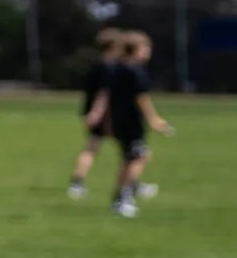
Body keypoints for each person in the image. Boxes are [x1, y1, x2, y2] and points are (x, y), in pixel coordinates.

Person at [86, 30, 173, 218]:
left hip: (119, 121)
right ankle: (123, 199)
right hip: (131, 123)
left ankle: (126, 193)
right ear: (136, 49)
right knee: (136, 158)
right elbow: (141, 99)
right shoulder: (134, 71)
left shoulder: (117, 68)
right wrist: (154, 120)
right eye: (146, 48)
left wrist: (107, 121)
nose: (148, 51)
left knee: (133, 157)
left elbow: (108, 97)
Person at [65, 29, 123, 198]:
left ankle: (76, 183)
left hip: (95, 112)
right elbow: (103, 94)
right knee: (128, 151)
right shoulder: (109, 68)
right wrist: (97, 113)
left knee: (93, 147)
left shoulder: (97, 66)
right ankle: (131, 183)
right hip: (106, 115)